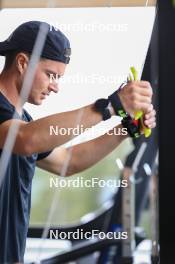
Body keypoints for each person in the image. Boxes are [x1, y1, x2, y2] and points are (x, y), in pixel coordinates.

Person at [0, 21, 156, 263]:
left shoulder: (24, 121)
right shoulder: (18, 127)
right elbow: (23, 139)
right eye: (51, 75)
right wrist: (112, 106)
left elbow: (67, 161)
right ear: (22, 63)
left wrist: (125, 128)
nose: (55, 87)